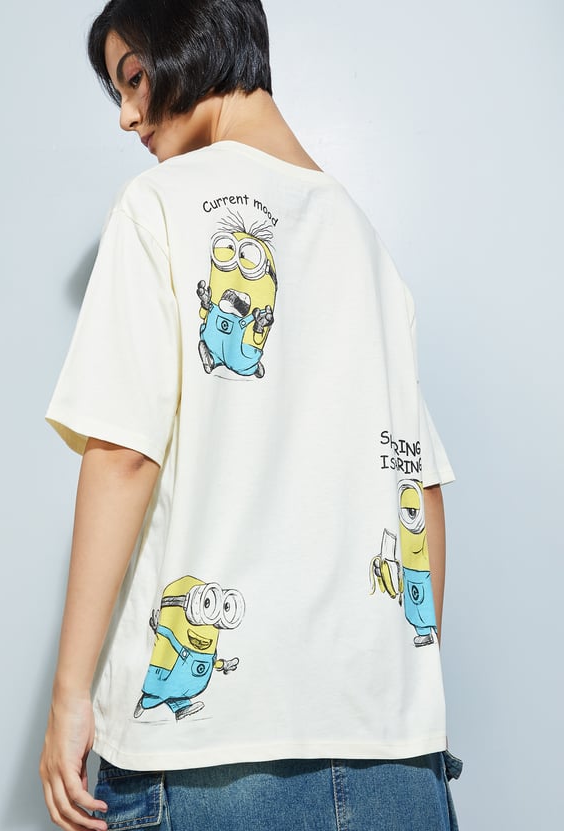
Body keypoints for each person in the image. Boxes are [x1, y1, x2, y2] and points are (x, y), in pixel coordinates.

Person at [39, 1, 462, 829]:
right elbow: (422, 491)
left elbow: (123, 454)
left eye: (133, 78)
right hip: (395, 760)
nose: (127, 116)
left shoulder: (158, 204)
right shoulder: (364, 241)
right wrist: (394, 692)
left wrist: (68, 695)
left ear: (193, 37)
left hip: (208, 765)